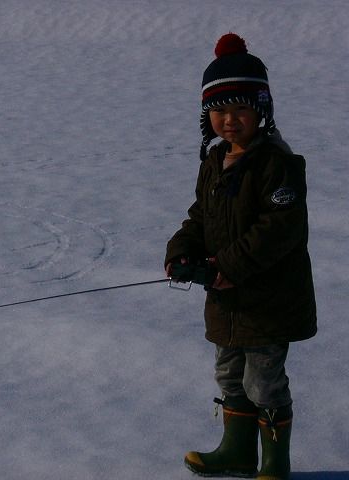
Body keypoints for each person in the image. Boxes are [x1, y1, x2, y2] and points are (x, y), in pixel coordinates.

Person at [164, 33, 317, 479]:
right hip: (226, 300)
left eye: (240, 109)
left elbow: (278, 229)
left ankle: (274, 462)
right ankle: (236, 452)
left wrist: (228, 266)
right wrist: (183, 250)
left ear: (262, 111)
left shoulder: (277, 164)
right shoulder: (214, 162)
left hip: (269, 299)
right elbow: (201, 216)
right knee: (231, 377)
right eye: (219, 110)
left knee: (262, 381)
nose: (229, 121)